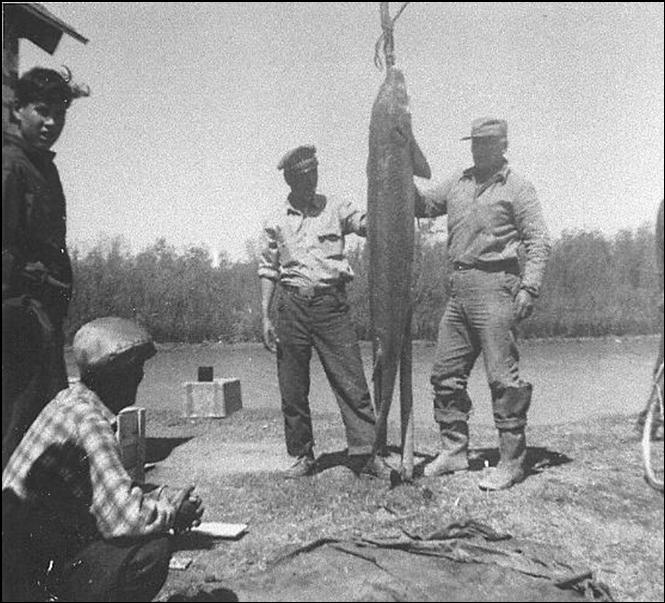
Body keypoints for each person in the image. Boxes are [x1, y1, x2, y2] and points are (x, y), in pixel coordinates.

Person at [1, 317, 204, 602]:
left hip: (19, 552)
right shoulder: (91, 422)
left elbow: (104, 489)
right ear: (118, 375)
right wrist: (172, 512)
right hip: (24, 570)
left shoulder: (69, 400)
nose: (140, 379)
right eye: (136, 370)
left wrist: (163, 495)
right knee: (150, 550)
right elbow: (124, 518)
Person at [414, 118, 551, 490]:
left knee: (502, 378)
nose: (478, 150)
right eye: (474, 143)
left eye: (486, 144)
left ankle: (511, 461)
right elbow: (424, 205)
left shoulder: (518, 188)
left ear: (502, 145)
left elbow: (539, 242)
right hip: (459, 291)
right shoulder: (459, 182)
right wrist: (398, 172)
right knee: (445, 373)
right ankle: (454, 450)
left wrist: (529, 289)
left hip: (496, 287)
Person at [258, 144, 394, 480]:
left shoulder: (335, 207)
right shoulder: (275, 220)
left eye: (314, 174)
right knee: (292, 386)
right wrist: (264, 315)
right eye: (304, 177)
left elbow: (367, 224)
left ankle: (366, 453)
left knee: (351, 381)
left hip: (331, 306)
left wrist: (386, 204)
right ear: (290, 180)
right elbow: (267, 269)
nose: (311, 181)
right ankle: (303, 455)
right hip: (291, 306)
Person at [2, 67, 78, 467]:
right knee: (15, 425)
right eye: (42, 111)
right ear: (17, 110)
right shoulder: (11, 166)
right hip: (19, 318)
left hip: (43, 318)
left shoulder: (43, 168)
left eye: (60, 114)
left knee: (41, 425)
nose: (51, 123)